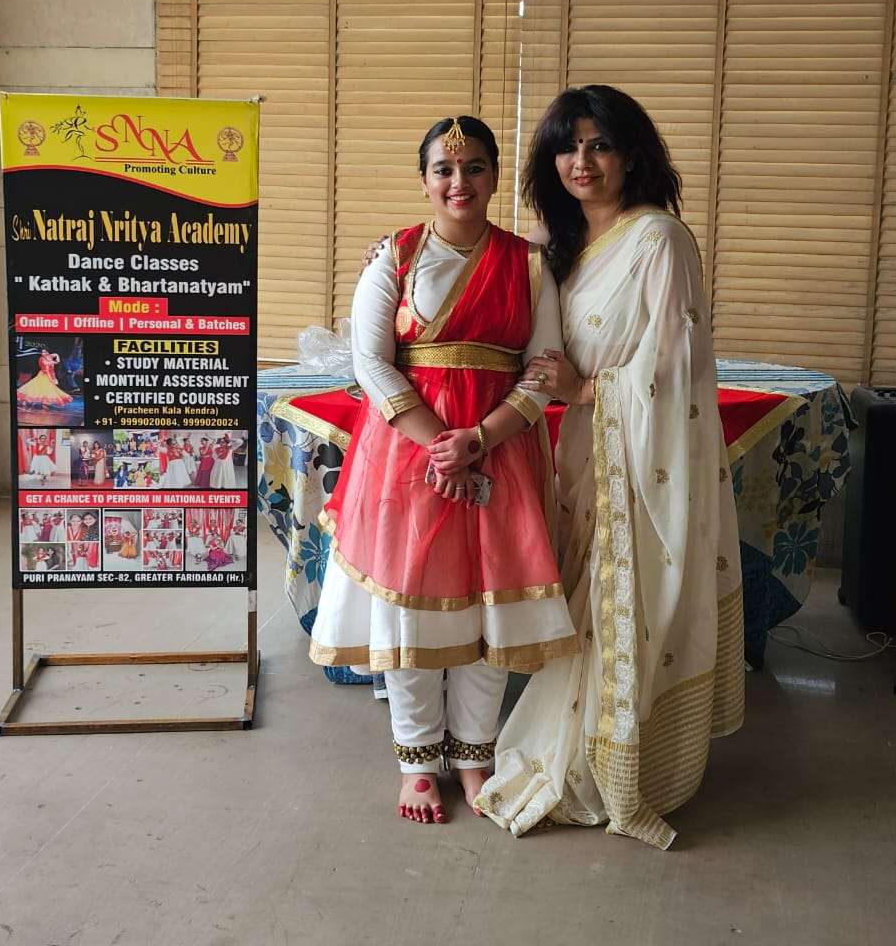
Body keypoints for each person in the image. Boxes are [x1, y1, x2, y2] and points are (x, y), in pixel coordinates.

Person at [471, 85, 744, 849]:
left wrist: (588, 390)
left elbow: (677, 365)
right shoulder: (559, 245)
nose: (581, 161)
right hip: (581, 453)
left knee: (620, 604)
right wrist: (400, 253)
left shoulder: (658, 240)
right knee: (582, 607)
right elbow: (489, 293)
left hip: (640, 454)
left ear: (631, 155)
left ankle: (619, 758)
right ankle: (591, 741)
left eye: (599, 145)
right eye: (567, 146)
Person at [309, 115, 579, 827]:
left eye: (475, 167)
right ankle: (417, 760)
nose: (460, 182)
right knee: (412, 606)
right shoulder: (394, 257)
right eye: (444, 169)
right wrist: (441, 447)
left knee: (492, 601)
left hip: (502, 450)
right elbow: (371, 362)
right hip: (406, 454)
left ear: (495, 176)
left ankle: (474, 753)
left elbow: (544, 367)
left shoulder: (529, 264)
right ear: (425, 179)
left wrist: (479, 441)